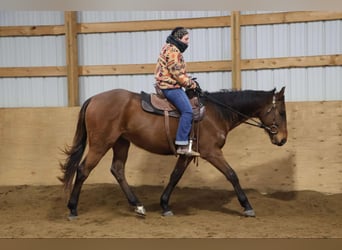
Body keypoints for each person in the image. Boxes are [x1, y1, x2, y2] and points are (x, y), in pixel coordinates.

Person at [154, 27, 200, 157]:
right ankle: (182, 144)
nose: (187, 42)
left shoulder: (167, 47)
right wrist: (192, 84)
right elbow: (177, 74)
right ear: (179, 39)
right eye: (186, 39)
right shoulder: (174, 51)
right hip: (170, 87)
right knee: (187, 111)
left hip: (165, 84)